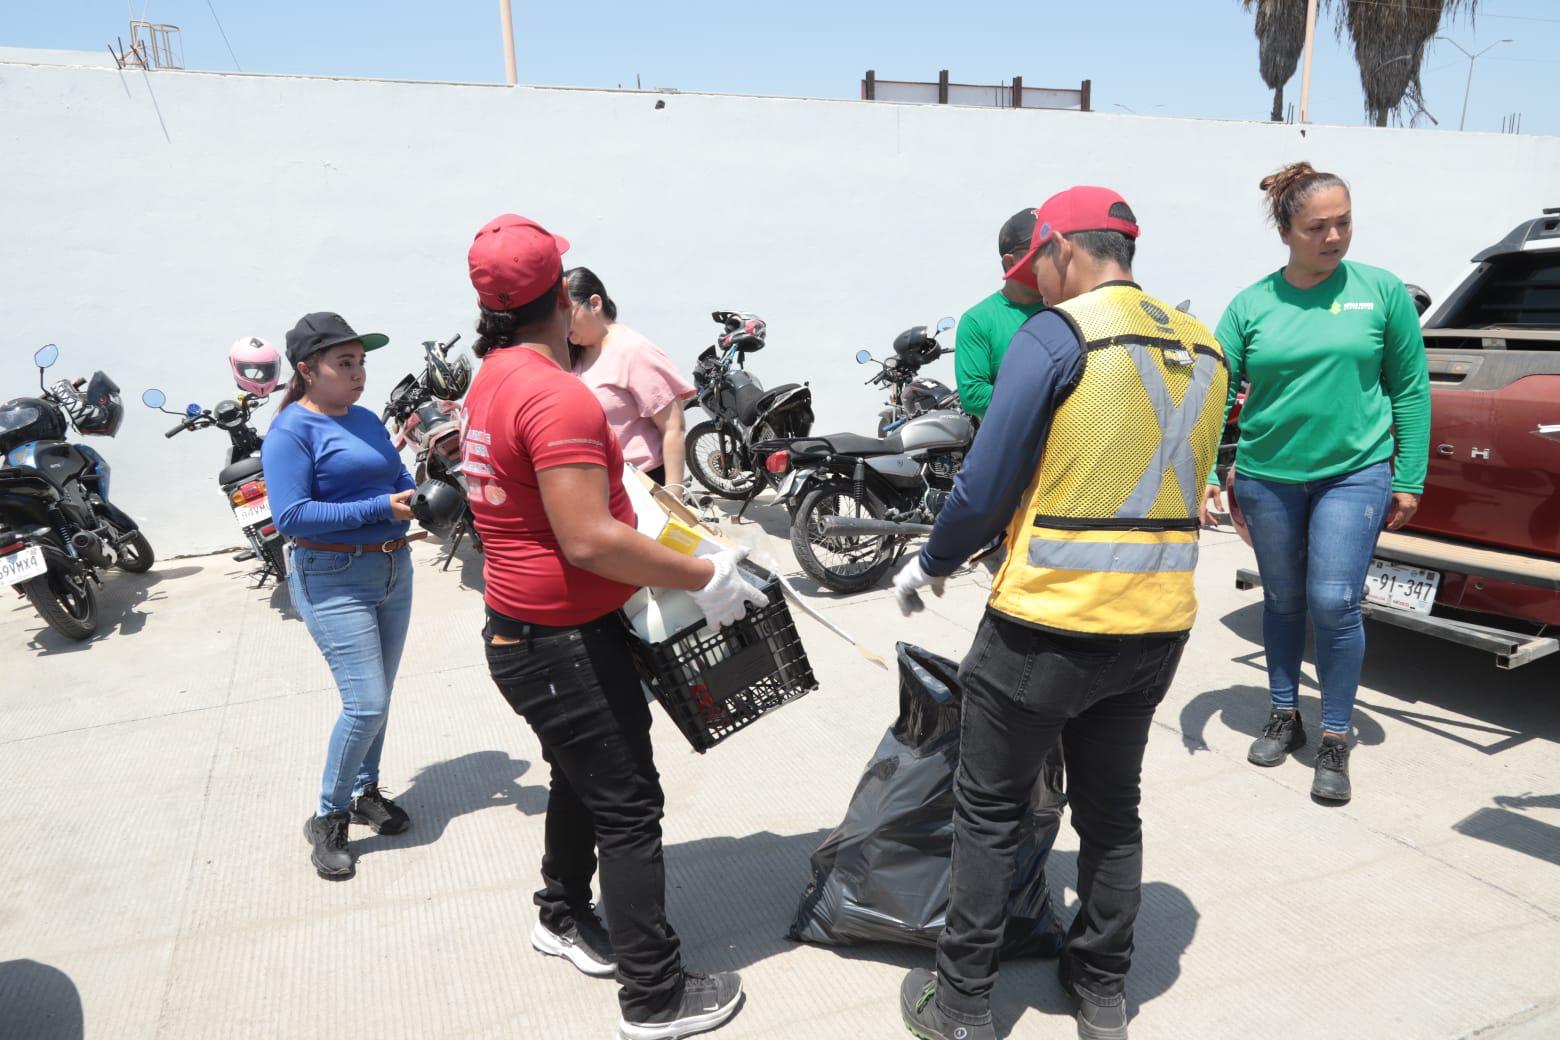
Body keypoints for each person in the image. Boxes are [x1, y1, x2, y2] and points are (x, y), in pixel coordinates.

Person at [893, 187, 1229, 1040]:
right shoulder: (1204, 344)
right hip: (1156, 625)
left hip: (1045, 628)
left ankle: (961, 1006)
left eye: (1032, 266)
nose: (1030, 284)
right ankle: (1102, 989)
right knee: (1112, 813)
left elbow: (985, 481)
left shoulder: (1059, 334)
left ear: (1063, 250)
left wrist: (930, 562)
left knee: (988, 812)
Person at [461, 214, 766, 1040]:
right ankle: (654, 997)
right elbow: (589, 539)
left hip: (526, 630)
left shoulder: (491, 378)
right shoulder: (554, 393)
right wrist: (706, 575)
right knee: (630, 807)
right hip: (561, 643)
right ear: (562, 297)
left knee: (579, 777)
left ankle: (561, 914)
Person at [1199, 162, 1431, 804]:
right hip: (1268, 476)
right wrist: (1209, 470)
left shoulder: (1381, 292)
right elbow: (1212, 393)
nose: (1333, 237)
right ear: (1285, 231)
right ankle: (1284, 713)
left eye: (1343, 223)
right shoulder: (1251, 305)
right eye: (1316, 227)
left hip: (1355, 472)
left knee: (1334, 602)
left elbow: (1410, 389)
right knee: (1282, 600)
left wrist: (1409, 475)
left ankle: (1333, 734)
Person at [261, 312, 421, 880]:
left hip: (393, 568)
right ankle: (328, 817)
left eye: (361, 363)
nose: (358, 374)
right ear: (307, 370)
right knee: (366, 703)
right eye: (344, 363)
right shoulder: (290, 432)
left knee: (381, 695)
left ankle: (363, 792)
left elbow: (395, 476)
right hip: (332, 576)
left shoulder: (366, 419)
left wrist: (418, 496)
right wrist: (380, 508)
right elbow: (291, 516)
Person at [565, 266, 696, 494]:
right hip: (596, 485)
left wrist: (673, 497)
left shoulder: (634, 351)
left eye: (568, 314)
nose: (563, 324)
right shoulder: (575, 352)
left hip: (640, 487)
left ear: (595, 304)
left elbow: (673, 428)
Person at [953, 208, 1047, 420]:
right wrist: (1046, 398)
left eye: (1052, 246)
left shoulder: (1069, 307)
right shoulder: (977, 320)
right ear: (1010, 262)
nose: (1049, 257)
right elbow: (973, 395)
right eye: (1038, 249)